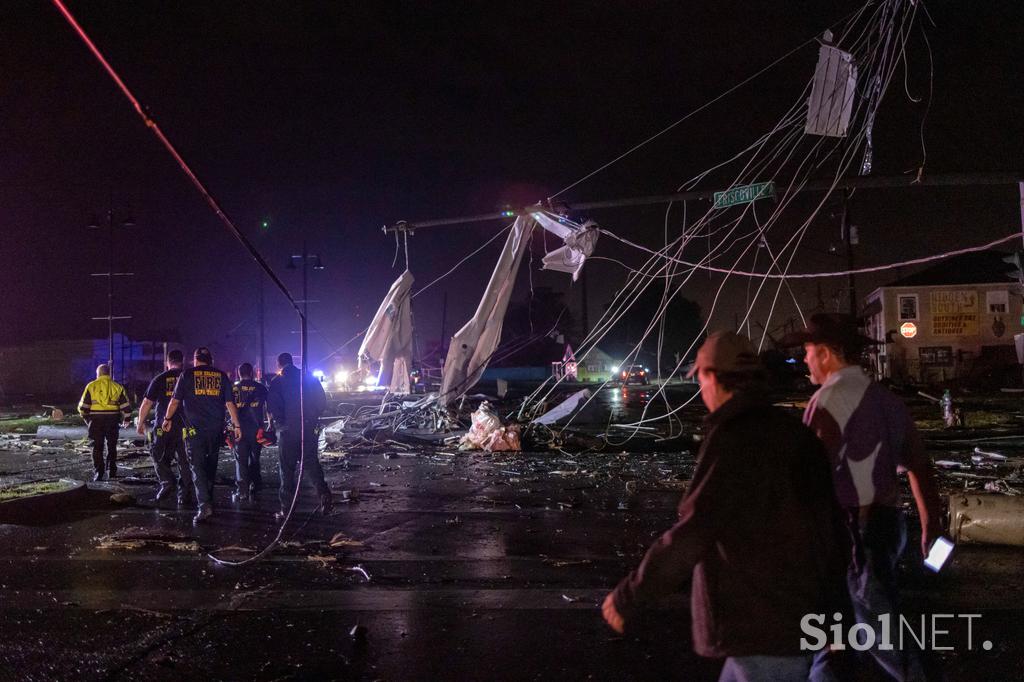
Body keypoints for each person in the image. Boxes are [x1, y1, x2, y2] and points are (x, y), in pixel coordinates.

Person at [602, 331, 848, 682]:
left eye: (700, 378)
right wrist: (836, 614)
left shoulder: (734, 440)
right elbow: (831, 531)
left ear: (713, 377)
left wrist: (630, 595)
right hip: (793, 615)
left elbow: (695, 529)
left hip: (760, 622)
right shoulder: (796, 435)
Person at [782, 313, 943, 681]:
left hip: (853, 529)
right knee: (838, 626)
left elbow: (812, 473)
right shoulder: (887, 402)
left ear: (825, 353)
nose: (804, 360)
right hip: (886, 523)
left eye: (808, 351)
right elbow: (919, 465)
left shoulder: (827, 401)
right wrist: (929, 525)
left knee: (873, 623)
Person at [161, 347, 242, 525]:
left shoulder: (187, 375)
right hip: (215, 430)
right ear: (210, 361)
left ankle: (204, 505)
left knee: (197, 467)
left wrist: (167, 419)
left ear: (195, 360)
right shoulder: (221, 376)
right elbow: (230, 403)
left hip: (194, 431)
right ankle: (208, 499)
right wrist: (237, 425)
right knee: (211, 465)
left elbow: (175, 401)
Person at [266, 352, 332, 517]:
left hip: (287, 432)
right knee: (311, 463)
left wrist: (280, 425)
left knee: (286, 470)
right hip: (308, 429)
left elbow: (273, 406)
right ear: (291, 362)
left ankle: (287, 508)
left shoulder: (277, 381)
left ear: (279, 364)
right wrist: (312, 417)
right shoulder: (308, 378)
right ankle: (324, 496)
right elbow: (321, 401)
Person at [137, 350, 194, 505]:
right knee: (184, 460)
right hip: (185, 426)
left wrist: (140, 422)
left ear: (167, 362)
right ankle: (184, 494)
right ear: (183, 360)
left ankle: (167, 481)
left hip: (164, 426)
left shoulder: (160, 378)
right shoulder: (189, 377)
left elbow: (147, 403)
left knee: (157, 453)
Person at [77, 364, 132, 481]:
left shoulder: (91, 386)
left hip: (96, 420)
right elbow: (126, 407)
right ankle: (111, 470)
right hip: (112, 419)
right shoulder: (117, 386)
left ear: (98, 374)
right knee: (112, 446)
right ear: (109, 374)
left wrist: (86, 418)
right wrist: (127, 419)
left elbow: (83, 407)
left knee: (97, 447)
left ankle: (99, 472)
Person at [231, 362, 268, 503]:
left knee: (240, 460)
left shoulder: (233, 388)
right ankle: (255, 485)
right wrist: (269, 424)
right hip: (256, 429)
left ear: (239, 373)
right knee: (255, 458)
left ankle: (242, 491)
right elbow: (268, 408)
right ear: (252, 373)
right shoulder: (261, 388)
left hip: (239, 428)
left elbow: (228, 407)